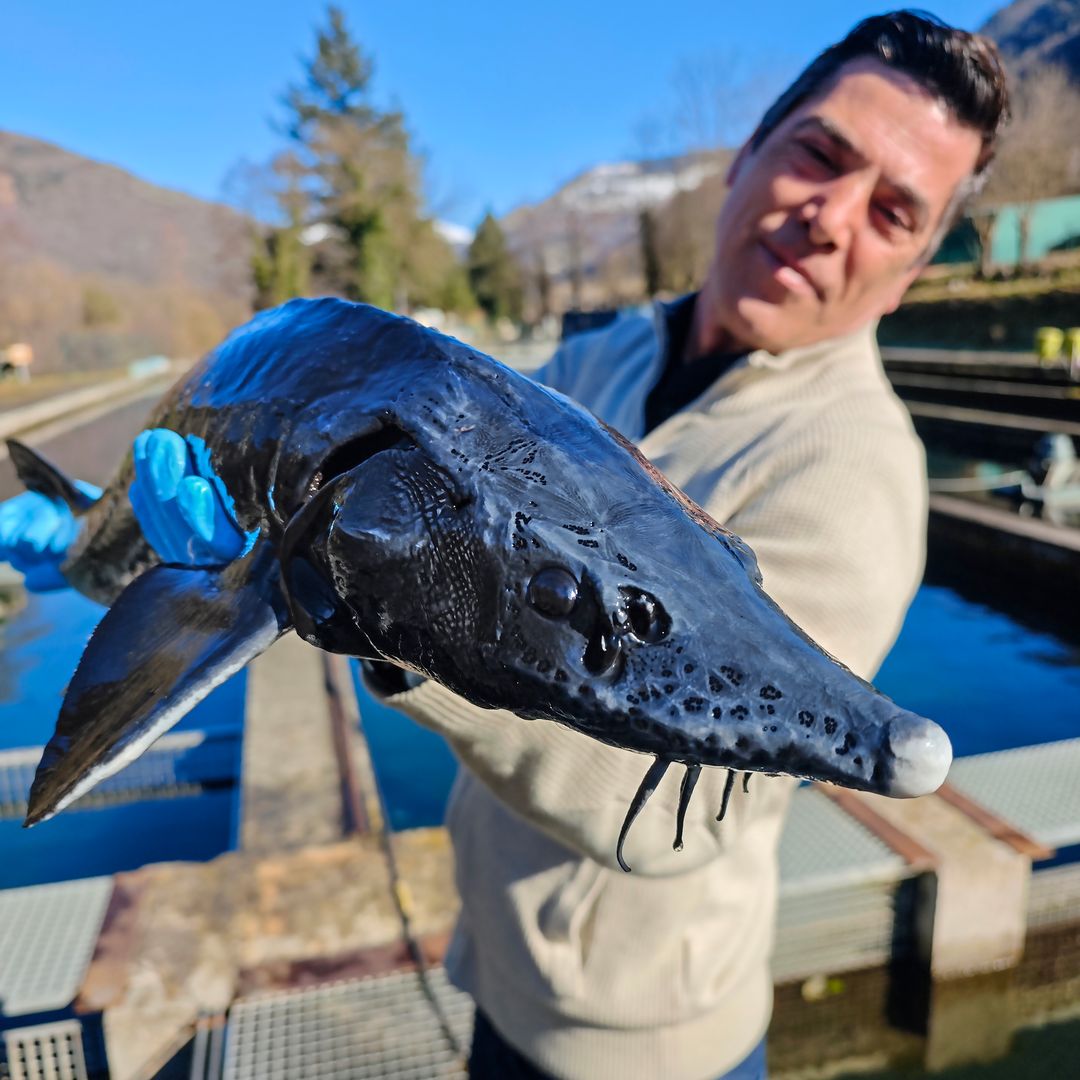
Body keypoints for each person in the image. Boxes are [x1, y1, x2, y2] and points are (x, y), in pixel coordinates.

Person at [0, 12, 1008, 1079]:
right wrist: (96, 540)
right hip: (495, 968)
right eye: (820, 153)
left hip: (645, 1046)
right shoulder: (613, 352)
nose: (830, 215)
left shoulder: (857, 470)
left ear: (909, 273)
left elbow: (678, 818)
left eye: (894, 211)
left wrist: (380, 622)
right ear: (748, 153)